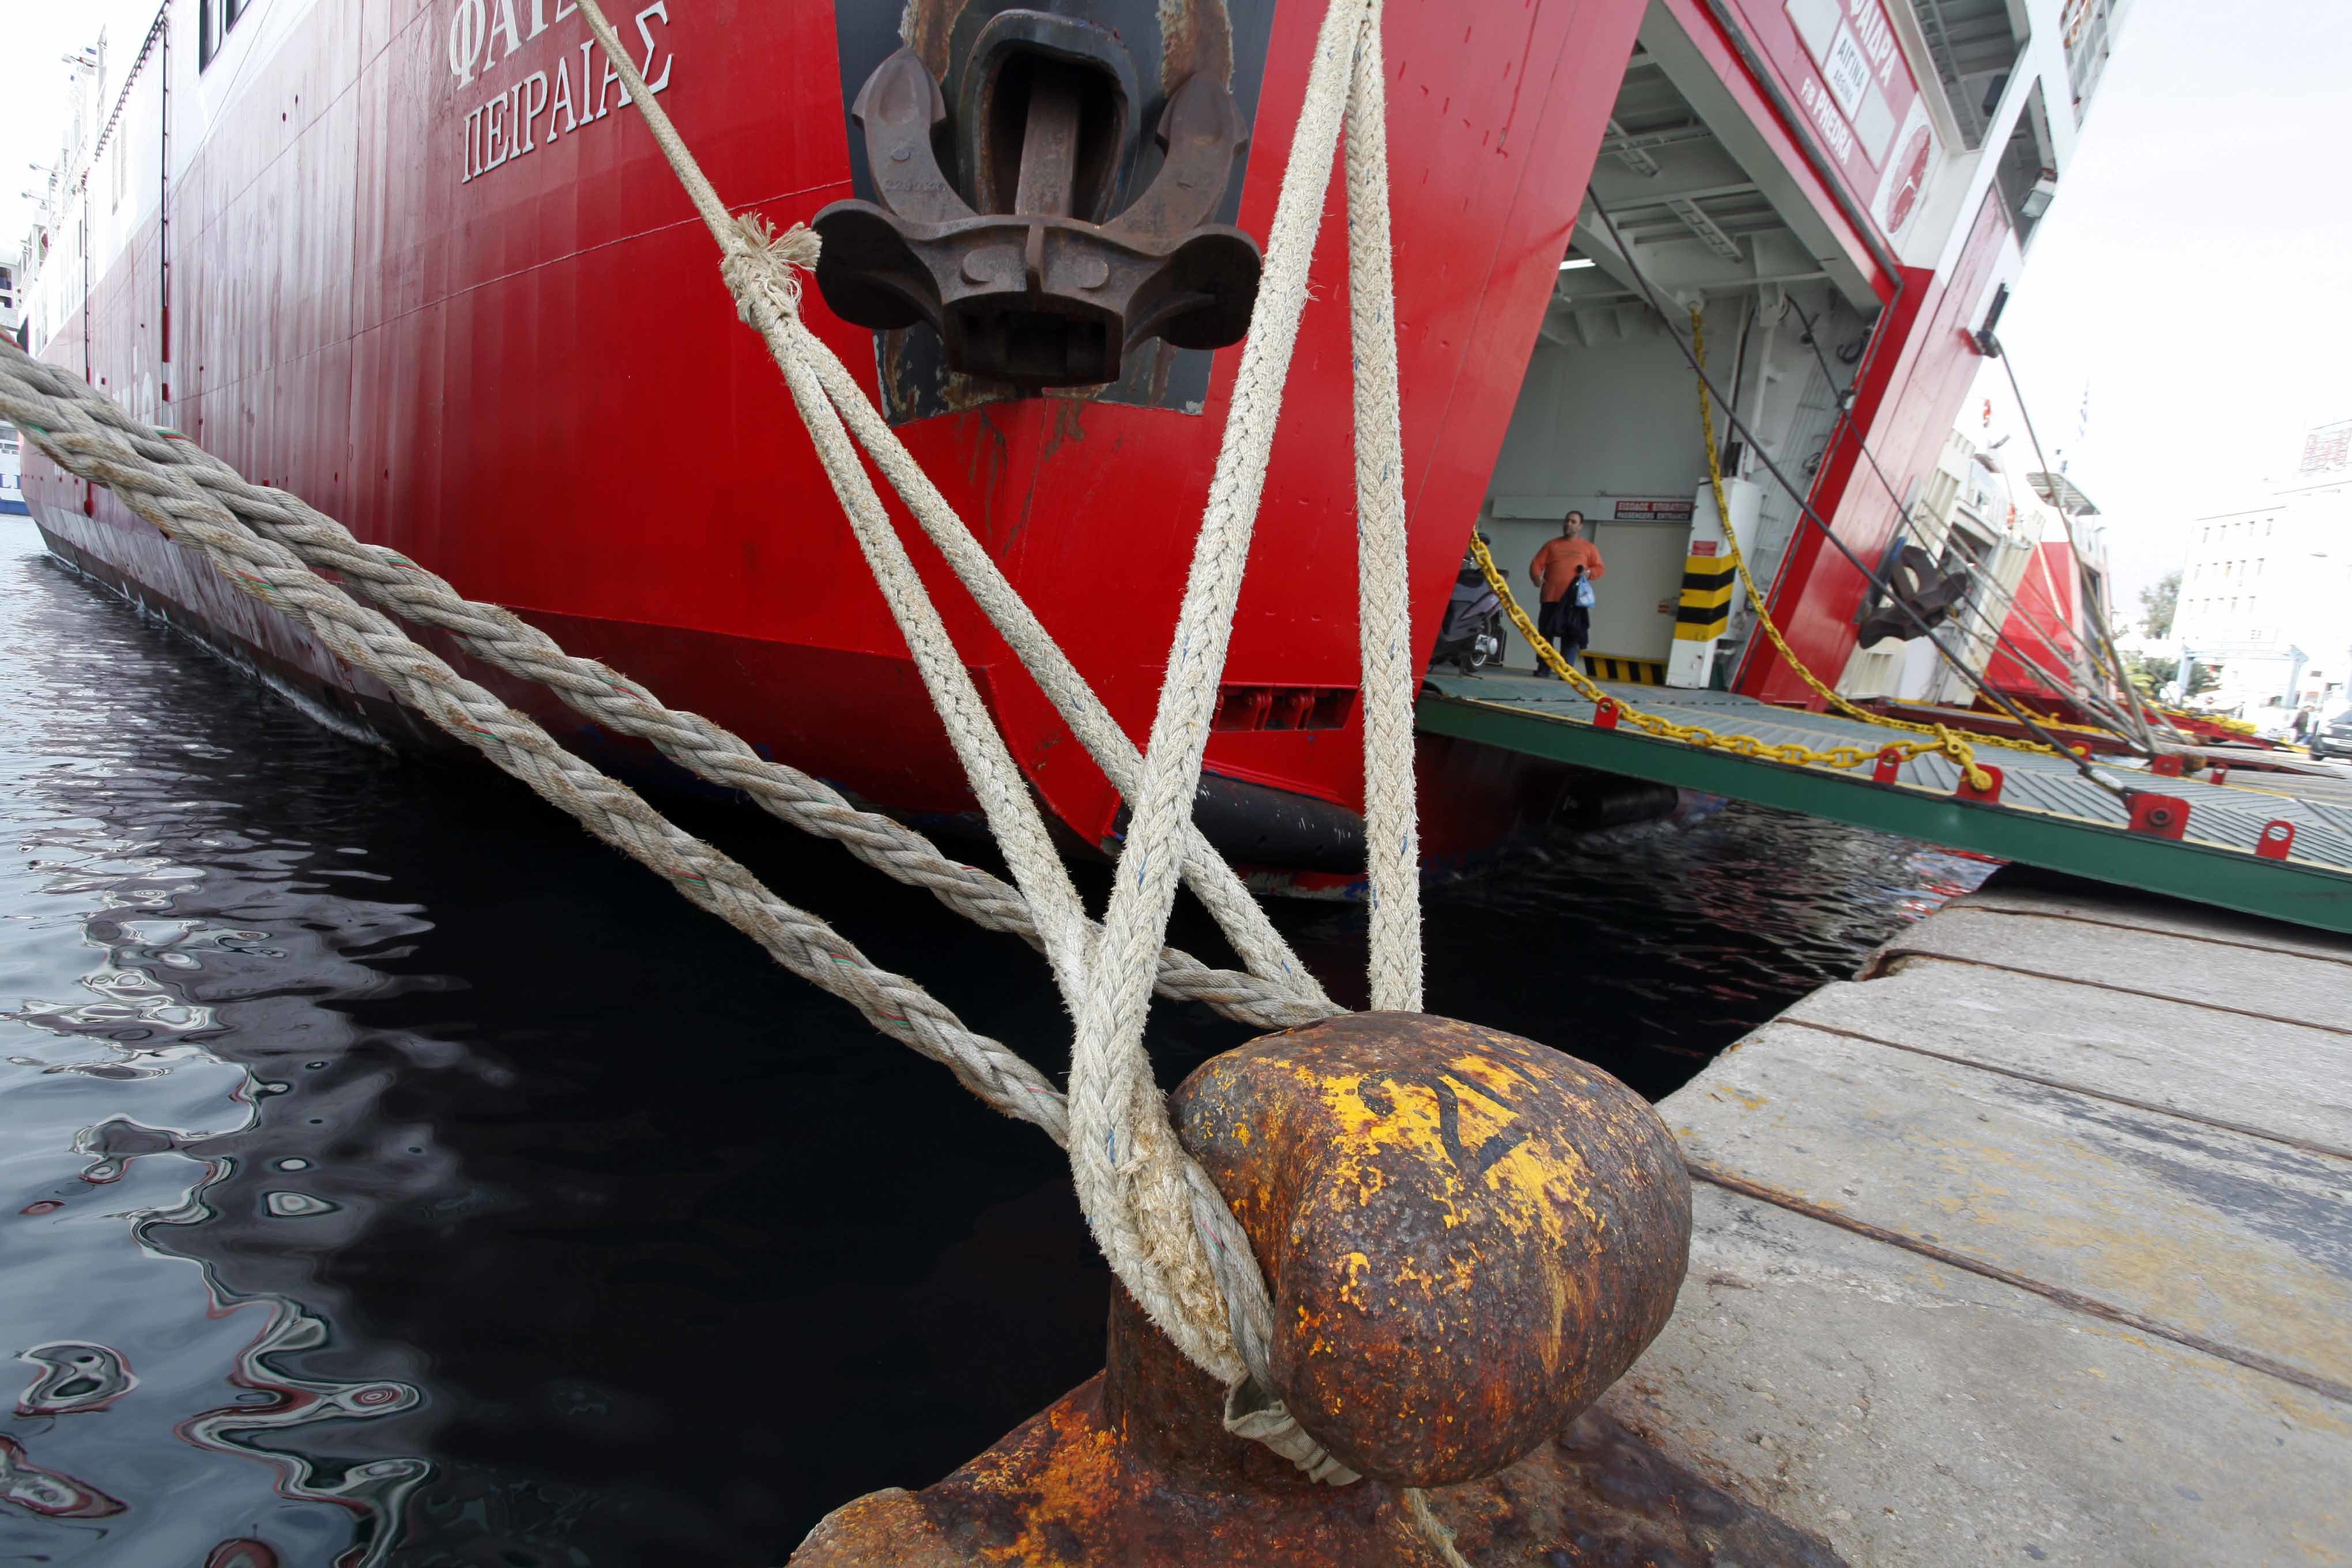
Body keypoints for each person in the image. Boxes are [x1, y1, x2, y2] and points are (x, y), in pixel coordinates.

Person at [1526, 511, 1605, 675]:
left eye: (1573, 521)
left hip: (1574, 601)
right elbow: (1536, 563)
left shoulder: (1589, 548)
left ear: (1580, 526)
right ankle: (1544, 668)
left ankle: (1566, 672)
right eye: (1567, 521)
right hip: (1550, 597)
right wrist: (1536, 578)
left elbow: (1600, 568)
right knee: (1545, 635)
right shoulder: (1551, 545)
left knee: (1571, 635)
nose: (1569, 524)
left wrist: (1588, 573)